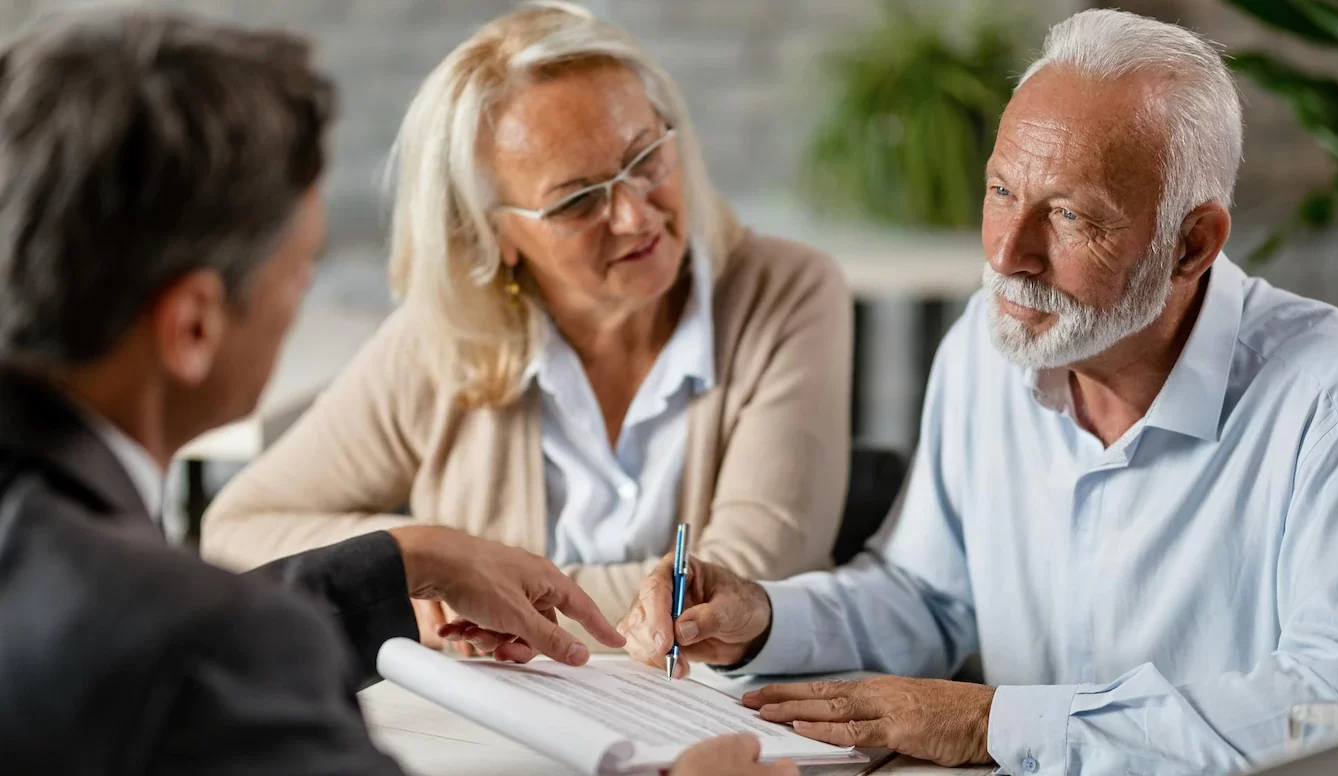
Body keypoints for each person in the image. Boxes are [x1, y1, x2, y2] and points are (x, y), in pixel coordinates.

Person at [0, 10, 791, 775]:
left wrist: (407, 558)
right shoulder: (209, 652)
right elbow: (198, 640)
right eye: (301, 269)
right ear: (194, 327)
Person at [620, 9, 1338, 775]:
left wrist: (999, 723)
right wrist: (764, 618)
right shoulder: (984, 353)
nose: (1009, 253)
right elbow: (928, 596)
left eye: (1070, 215)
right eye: (1002, 190)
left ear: (1192, 244)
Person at [199, 0, 852, 652]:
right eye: (577, 199)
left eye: (646, 157)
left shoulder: (788, 292)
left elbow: (745, 590)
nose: (635, 216)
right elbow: (237, 528)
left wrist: (484, 593)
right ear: (492, 234)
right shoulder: (444, 339)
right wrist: (422, 560)